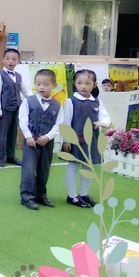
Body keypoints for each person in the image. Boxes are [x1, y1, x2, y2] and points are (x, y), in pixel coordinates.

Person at [62, 69, 110, 208]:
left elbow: (106, 117)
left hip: (92, 139)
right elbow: (66, 122)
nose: (83, 86)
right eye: (80, 83)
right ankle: (72, 196)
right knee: (73, 165)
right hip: (75, 140)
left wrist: (103, 123)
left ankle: (83, 194)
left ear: (94, 85)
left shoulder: (97, 102)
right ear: (74, 83)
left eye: (88, 83)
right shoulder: (71, 101)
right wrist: (66, 140)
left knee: (89, 166)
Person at [18, 69, 63, 210]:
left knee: (44, 169)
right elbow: (22, 120)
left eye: (45, 84)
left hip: (47, 142)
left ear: (54, 85)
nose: (41, 87)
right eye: (38, 84)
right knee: (29, 168)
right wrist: (28, 136)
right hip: (31, 142)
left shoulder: (58, 105)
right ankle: (27, 196)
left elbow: (59, 124)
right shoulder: (28, 101)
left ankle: (41, 195)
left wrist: (48, 136)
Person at [0, 49, 31, 167]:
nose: (10, 61)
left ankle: (11, 156)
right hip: (4, 109)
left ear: (18, 61)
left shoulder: (18, 76)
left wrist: (34, 101)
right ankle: (0, 158)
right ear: (3, 60)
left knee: (13, 133)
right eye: (8, 59)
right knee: (2, 134)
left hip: (16, 108)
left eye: (14, 59)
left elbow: (25, 91)